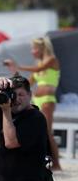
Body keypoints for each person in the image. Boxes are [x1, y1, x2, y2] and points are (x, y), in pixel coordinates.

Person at [4, 37, 61, 171]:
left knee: (47, 131)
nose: (32, 51)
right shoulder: (39, 64)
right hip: (37, 100)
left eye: (34, 48)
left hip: (47, 99)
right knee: (40, 131)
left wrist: (18, 66)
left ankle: (57, 163)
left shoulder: (51, 60)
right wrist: (15, 72)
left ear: (42, 48)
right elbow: (27, 83)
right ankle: (43, 160)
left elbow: (38, 68)